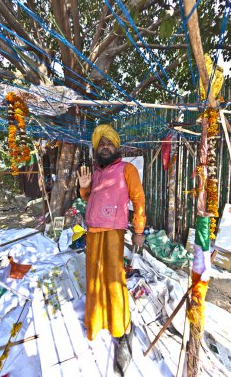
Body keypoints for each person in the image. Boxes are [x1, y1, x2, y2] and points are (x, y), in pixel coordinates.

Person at [77, 124, 146, 376]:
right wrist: (84, 187)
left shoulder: (127, 169)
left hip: (114, 232)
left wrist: (139, 230)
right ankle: (96, 322)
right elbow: (89, 197)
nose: (105, 146)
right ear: (96, 148)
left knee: (114, 281)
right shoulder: (94, 171)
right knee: (94, 279)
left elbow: (139, 200)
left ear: (117, 147)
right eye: (101, 143)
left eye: (109, 143)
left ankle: (120, 328)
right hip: (93, 231)